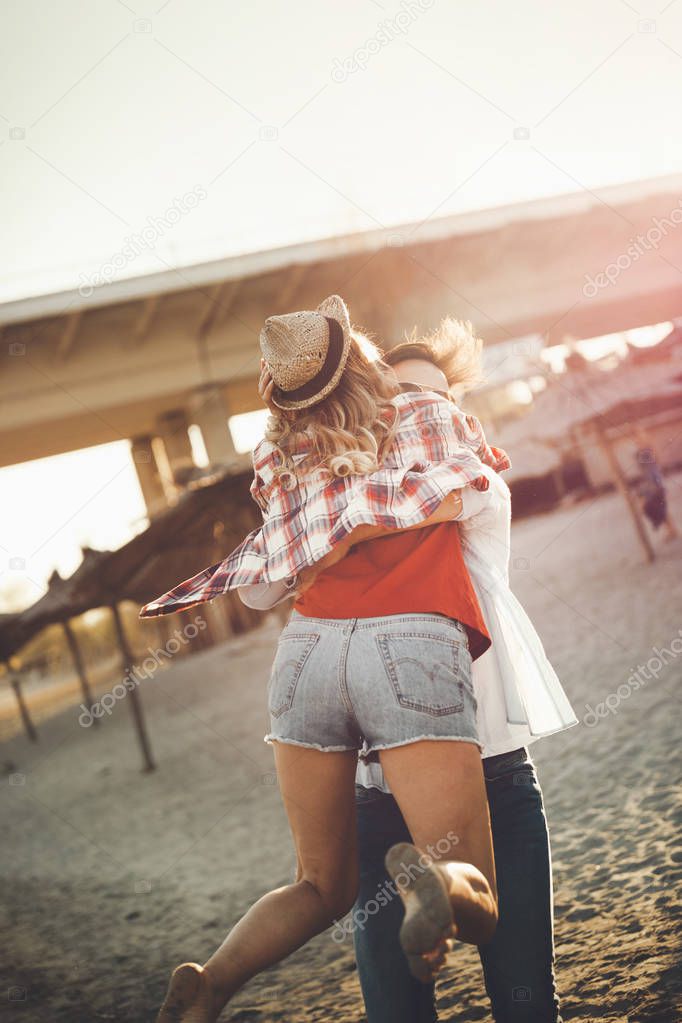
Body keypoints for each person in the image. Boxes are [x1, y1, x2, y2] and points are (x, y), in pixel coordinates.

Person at [142, 296, 504, 1022]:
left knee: (318, 884)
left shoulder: (280, 455)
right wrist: (377, 519)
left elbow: (266, 586)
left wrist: (330, 541)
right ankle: (434, 887)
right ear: (361, 355)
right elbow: (483, 486)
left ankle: (212, 979)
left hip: (306, 657)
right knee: (480, 889)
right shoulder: (425, 412)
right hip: (408, 645)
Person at [255, 322, 576, 1022]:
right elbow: (266, 582)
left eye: (426, 400)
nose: (412, 414)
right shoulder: (349, 497)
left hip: (492, 773)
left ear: (454, 410)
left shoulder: (478, 487)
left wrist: (323, 543)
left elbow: (446, 492)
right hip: (374, 798)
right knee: (397, 1009)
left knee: (525, 998)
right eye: (395, 399)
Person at [634, 425, 678, 541]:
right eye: (637, 436)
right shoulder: (644, 451)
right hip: (651, 482)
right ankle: (671, 529)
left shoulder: (647, 451)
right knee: (659, 506)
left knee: (653, 506)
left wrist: (654, 484)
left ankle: (669, 529)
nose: (638, 439)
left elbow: (652, 469)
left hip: (653, 482)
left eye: (641, 436)